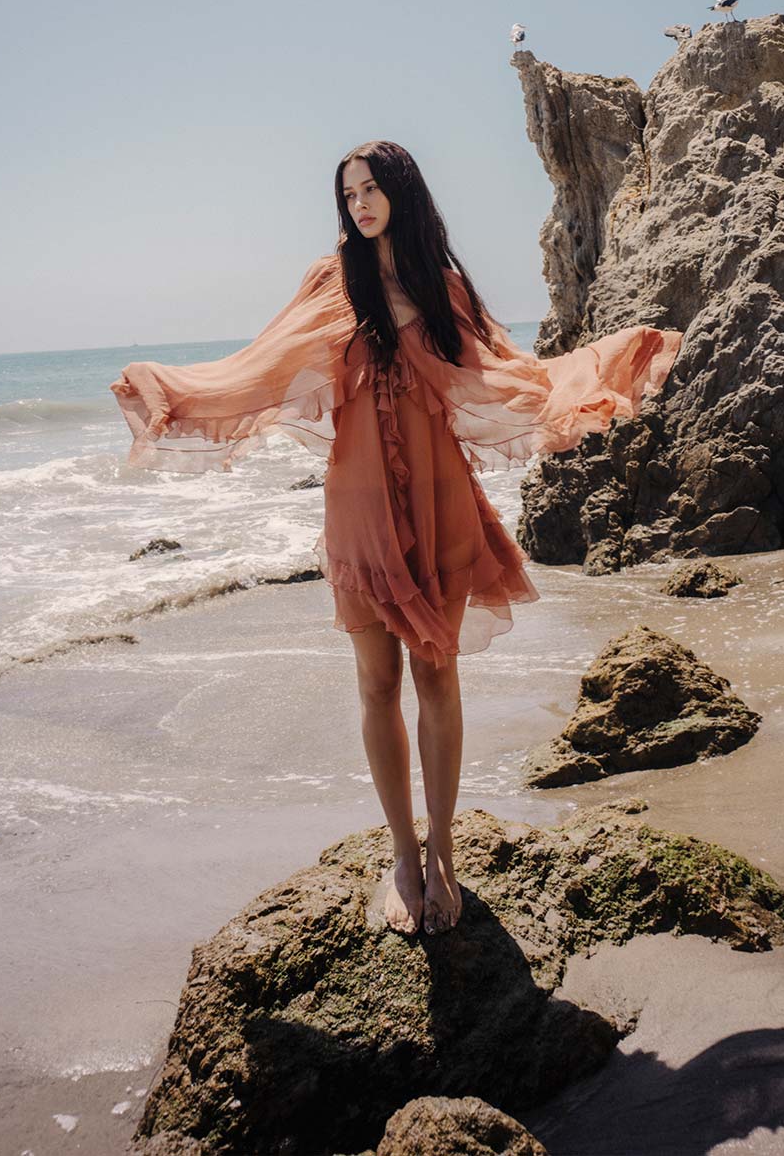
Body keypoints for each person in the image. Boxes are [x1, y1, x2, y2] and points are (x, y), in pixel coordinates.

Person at [109, 140, 680, 936]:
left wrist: (605, 363)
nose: (361, 203)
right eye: (349, 193)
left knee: (437, 675)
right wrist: (177, 392)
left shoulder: (441, 287)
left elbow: (512, 376)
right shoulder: (328, 282)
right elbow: (262, 369)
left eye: (373, 188)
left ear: (402, 194)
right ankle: (404, 855)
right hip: (359, 506)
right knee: (377, 683)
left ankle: (445, 851)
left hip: (441, 501)